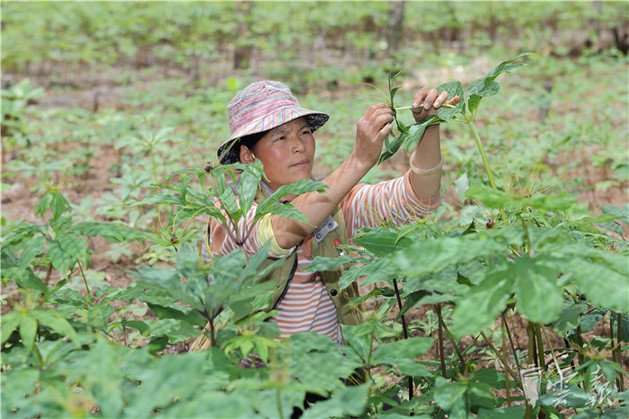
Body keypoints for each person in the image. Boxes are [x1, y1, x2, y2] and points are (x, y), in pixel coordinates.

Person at [192, 79, 459, 355]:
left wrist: (428, 127)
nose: (300, 146)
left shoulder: (334, 205)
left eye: (305, 132)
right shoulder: (231, 214)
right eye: (281, 137)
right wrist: (358, 160)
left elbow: (416, 200)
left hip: (328, 385)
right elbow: (279, 233)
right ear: (248, 157)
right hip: (254, 386)